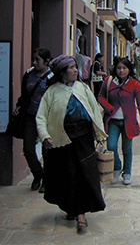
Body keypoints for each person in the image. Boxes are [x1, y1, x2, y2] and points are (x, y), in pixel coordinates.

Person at [36, 55, 107, 231]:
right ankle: (70, 207)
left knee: (84, 173)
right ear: (61, 72)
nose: (75, 70)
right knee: (68, 174)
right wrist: (45, 136)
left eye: (76, 67)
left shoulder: (82, 88)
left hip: (83, 138)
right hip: (62, 139)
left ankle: (81, 212)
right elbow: (41, 116)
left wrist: (100, 135)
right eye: (71, 68)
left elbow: (94, 109)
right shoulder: (52, 92)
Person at [98, 58, 140, 186]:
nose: (121, 71)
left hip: (128, 121)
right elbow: (100, 96)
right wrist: (108, 107)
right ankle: (117, 167)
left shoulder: (135, 84)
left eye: (124, 68)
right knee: (111, 146)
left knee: (127, 149)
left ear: (129, 70)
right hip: (113, 121)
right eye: (119, 68)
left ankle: (127, 172)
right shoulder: (108, 82)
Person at [13, 48, 53, 192]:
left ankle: (46, 180)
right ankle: (38, 173)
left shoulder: (52, 77)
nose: (34, 62)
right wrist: (19, 105)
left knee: (47, 149)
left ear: (47, 61)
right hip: (30, 116)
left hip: (47, 118)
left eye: (38, 60)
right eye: (33, 59)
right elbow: (25, 93)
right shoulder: (29, 74)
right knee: (28, 148)